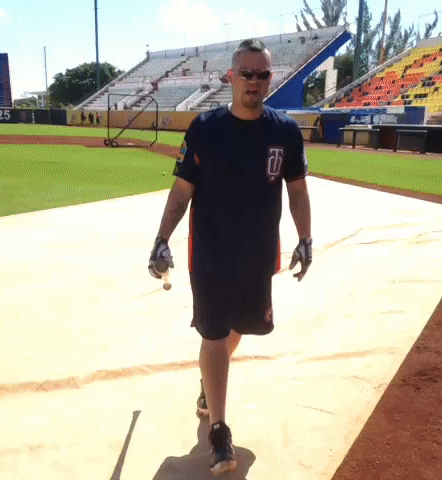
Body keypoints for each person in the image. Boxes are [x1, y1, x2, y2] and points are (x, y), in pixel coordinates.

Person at [148, 38, 312, 476]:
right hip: (211, 255)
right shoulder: (205, 128)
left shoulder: (284, 131)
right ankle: (219, 431)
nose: (253, 81)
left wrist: (305, 238)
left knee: (241, 327)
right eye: (246, 73)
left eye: (262, 74)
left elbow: (297, 190)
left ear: (270, 79)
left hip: (258, 256)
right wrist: (161, 238)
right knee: (214, 333)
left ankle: (208, 383)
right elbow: (181, 191)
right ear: (231, 77)